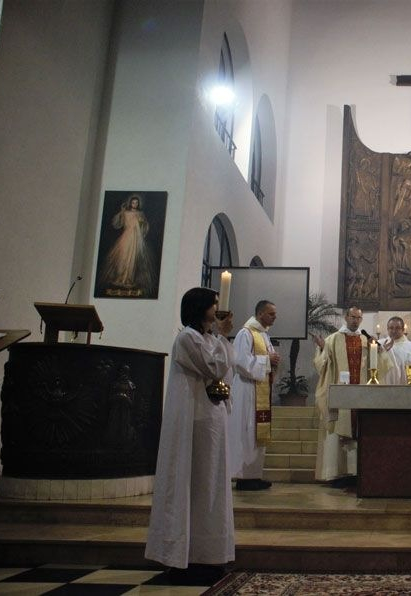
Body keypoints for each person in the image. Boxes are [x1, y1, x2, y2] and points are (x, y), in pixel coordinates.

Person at [145, 287, 234, 584]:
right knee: (193, 483)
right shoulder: (187, 338)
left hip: (211, 418)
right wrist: (222, 336)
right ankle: (186, 555)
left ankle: (208, 554)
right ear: (199, 307)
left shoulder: (208, 338)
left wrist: (219, 338)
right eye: (213, 304)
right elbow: (214, 367)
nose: (217, 308)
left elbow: (225, 371)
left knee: (209, 485)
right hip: (194, 418)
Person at [312, 306, 371, 485]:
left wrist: (381, 351)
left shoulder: (366, 340)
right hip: (339, 396)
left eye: (358, 318)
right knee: (337, 429)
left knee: (358, 430)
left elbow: (375, 365)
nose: (355, 320)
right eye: (352, 317)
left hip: (360, 395)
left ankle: (356, 473)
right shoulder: (333, 339)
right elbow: (322, 364)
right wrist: (323, 349)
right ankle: (336, 473)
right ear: (346, 317)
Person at [227, 300, 280, 491]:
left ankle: (254, 475)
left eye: (275, 314)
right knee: (246, 432)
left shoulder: (263, 335)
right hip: (247, 389)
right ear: (260, 314)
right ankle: (243, 476)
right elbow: (240, 362)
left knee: (256, 433)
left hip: (259, 388)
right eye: (271, 314)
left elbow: (265, 360)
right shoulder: (246, 333)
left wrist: (273, 361)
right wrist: (267, 360)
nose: (274, 317)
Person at [100, 195, 156, 295]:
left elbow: (145, 226)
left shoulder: (140, 214)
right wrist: (122, 212)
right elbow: (118, 223)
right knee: (123, 257)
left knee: (132, 259)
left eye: (136, 203)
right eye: (133, 202)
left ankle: (129, 279)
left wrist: (142, 223)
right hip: (126, 236)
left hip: (136, 239)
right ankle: (120, 278)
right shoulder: (126, 213)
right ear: (130, 203)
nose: (135, 204)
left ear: (138, 204)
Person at [377, 316, 411, 384]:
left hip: (405, 386)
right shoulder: (379, 344)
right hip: (384, 386)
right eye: (391, 328)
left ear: (403, 329)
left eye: (397, 328)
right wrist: (381, 352)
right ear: (387, 329)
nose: (394, 331)